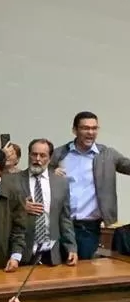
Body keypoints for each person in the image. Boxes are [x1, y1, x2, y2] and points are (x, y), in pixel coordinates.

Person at [52, 111, 130, 260]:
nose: (90, 132)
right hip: (60, 223)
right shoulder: (59, 154)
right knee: (56, 268)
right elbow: (37, 174)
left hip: (88, 227)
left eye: (94, 128)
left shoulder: (107, 155)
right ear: (75, 130)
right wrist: (50, 174)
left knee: (83, 268)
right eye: (85, 128)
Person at [14, 138, 77, 266]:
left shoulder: (61, 183)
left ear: (50, 158)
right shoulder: (14, 181)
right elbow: (2, 213)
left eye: (42, 155)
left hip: (51, 253)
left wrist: (71, 248)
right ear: (29, 155)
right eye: (34, 154)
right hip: (22, 252)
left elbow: (65, 219)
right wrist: (21, 207)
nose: (37, 159)